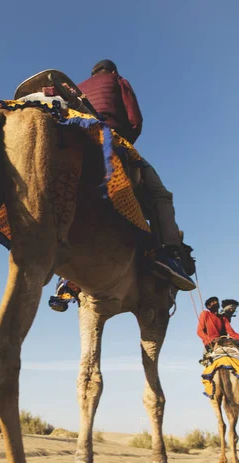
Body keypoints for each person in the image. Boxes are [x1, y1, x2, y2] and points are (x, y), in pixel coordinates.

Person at [78, 59, 196, 292]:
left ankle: (65, 282)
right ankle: (169, 254)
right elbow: (135, 120)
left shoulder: (77, 87)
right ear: (112, 71)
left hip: (78, 139)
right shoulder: (118, 80)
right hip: (109, 138)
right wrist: (125, 144)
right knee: (160, 195)